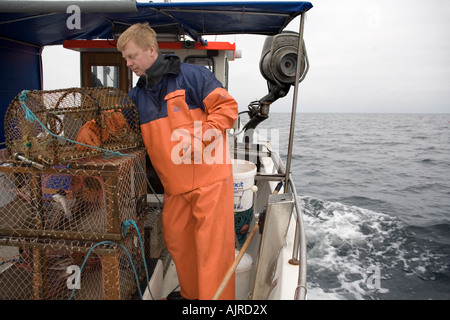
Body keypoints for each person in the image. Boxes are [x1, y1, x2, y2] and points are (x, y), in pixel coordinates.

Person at [117, 23, 238, 300]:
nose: (128, 63)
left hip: (209, 182)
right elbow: (116, 124)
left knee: (212, 253)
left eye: (132, 56)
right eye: (125, 58)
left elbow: (227, 107)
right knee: (179, 246)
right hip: (175, 189)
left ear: (151, 50)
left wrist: (203, 136)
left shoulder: (193, 76)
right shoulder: (136, 96)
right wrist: (93, 128)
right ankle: (191, 297)